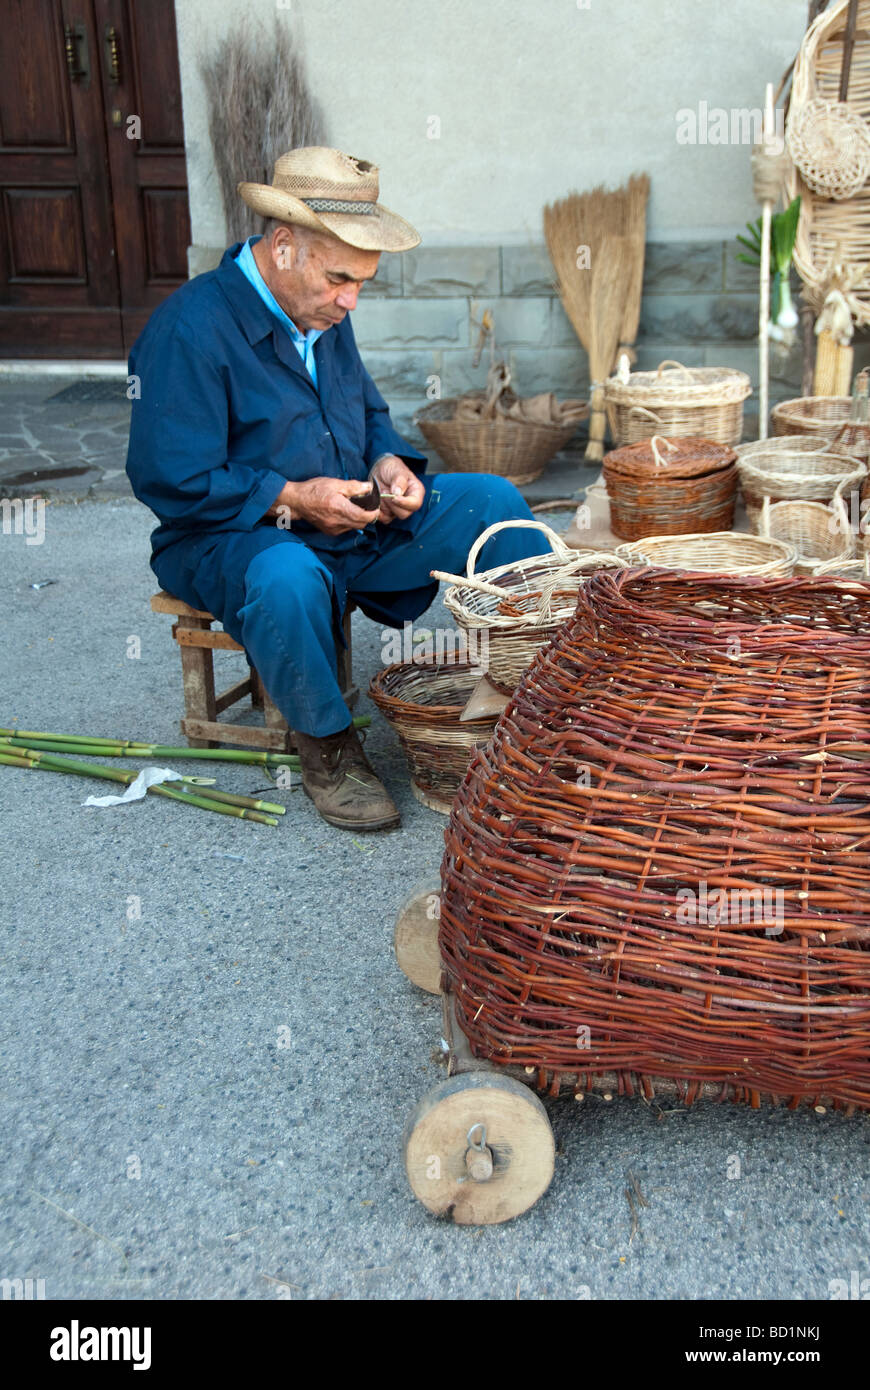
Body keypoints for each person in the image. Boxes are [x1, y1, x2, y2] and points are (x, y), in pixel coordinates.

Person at [126, 147, 551, 832]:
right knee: (288, 575)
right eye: (340, 279)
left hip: (349, 519)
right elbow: (170, 478)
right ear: (286, 247)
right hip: (232, 538)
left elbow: (369, 413)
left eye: (363, 282)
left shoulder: (322, 310)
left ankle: (549, 689)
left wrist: (389, 464)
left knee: (491, 500)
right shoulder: (189, 331)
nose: (351, 300)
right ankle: (328, 746)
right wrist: (292, 497)